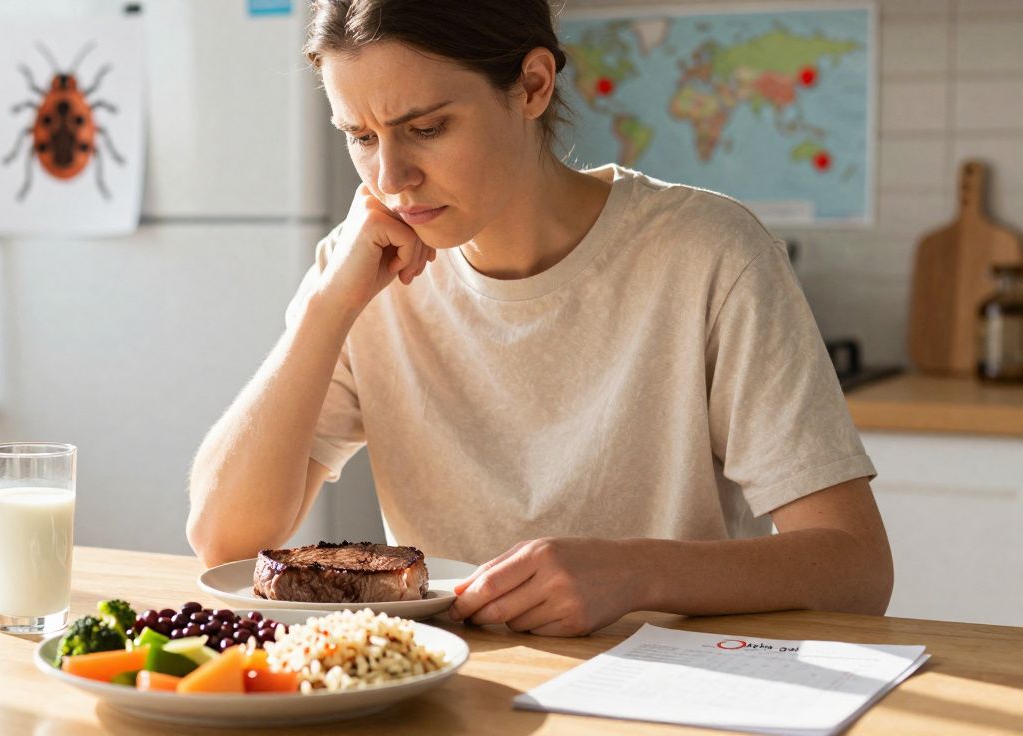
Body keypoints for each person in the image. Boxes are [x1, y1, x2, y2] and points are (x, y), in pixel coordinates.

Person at [187, 0, 893, 636]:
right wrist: (324, 308)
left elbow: (856, 568)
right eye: (361, 137)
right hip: (442, 694)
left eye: (425, 128)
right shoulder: (363, 277)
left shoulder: (709, 253)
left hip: (663, 696)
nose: (390, 179)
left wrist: (638, 573)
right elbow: (223, 540)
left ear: (532, 85)